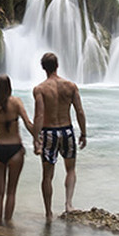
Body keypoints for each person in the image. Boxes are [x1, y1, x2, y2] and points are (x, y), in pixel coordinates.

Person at [32, 52, 86, 220]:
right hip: (67, 131)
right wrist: (84, 133)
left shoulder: (40, 89)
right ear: (57, 66)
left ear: (43, 68)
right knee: (70, 169)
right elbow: (79, 111)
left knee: (47, 176)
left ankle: (48, 213)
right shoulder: (70, 86)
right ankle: (69, 204)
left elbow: (39, 116)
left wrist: (35, 138)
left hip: (49, 132)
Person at [0, 75, 36, 224]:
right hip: (15, 150)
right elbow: (28, 124)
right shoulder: (17, 102)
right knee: (11, 192)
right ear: (10, 87)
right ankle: (8, 225)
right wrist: (37, 138)